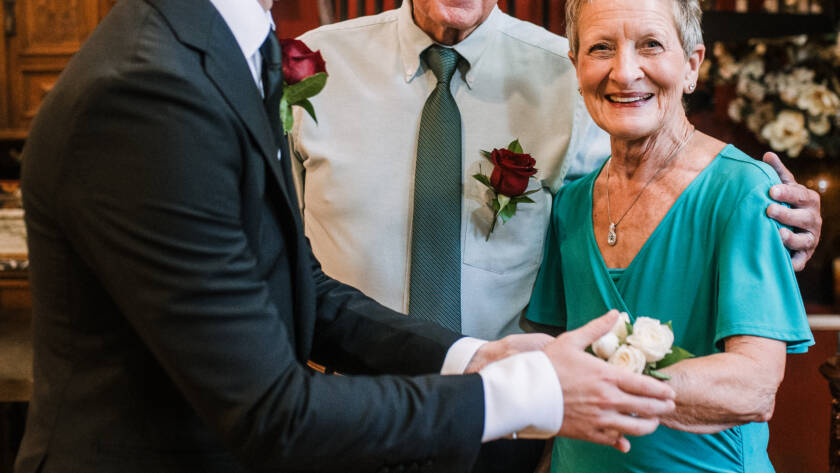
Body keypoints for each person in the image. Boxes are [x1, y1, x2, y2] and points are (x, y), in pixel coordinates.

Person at [14, 0, 678, 471]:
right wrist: (526, 392)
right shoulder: (149, 87)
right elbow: (270, 410)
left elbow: (298, 283)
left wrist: (475, 358)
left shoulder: (233, 49)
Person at [526, 0, 815, 472]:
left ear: (692, 66)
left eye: (650, 45)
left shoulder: (743, 190)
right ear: (576, 66)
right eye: (600, 48)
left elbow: (753, 385)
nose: (624, 72)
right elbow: (556, 358)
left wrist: (600, 387)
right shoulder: (571, 203)